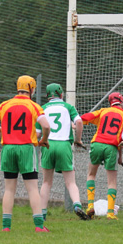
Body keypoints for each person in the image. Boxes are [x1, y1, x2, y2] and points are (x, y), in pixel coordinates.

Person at [0, 75, 51, 232]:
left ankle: (6, 227)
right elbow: (46, 126)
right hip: (26, 149)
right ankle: (39, 226)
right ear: (30, 88)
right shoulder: (33, 106)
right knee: (33, 189)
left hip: (8, 148)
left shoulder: (5, 104)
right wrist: (43, 139)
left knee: (9, 189)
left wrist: (4, 130)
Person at [36, 83, 89, 221]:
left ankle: (42, 213)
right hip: (64, 144)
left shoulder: (41, 109)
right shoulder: (68, 107)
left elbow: (37, 133)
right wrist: (78, 139)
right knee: (71, 182)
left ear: (47, 96)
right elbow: (79, 122)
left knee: (46, 182)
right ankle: (77, 205)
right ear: (61, 94)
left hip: (48, 144)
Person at [81, 92, 123, 220]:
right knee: (111, 182)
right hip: (111, 147)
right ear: (121, 102)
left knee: (91, 174)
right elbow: (121, 139)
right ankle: (110, 213)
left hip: (97, 143)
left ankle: (90, 206)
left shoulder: (103, 111)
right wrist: (120, 155)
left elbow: (85, 117)